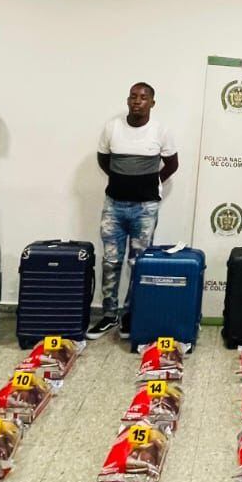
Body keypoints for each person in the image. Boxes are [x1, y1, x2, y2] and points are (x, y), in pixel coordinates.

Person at [91, 82, 179, 338]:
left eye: (143, 97)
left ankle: (130, 315)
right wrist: (122, 180)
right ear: (127, 100)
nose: (136, 101)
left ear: (152, 103)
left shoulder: (161, 131)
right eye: (133, 96)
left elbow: (172, 164)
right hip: (114, 206)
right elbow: (103, 159)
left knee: (138, 263)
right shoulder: (112, 128)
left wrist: (149, 182)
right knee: (110, 261)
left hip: (145, 208)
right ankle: (109, 315)